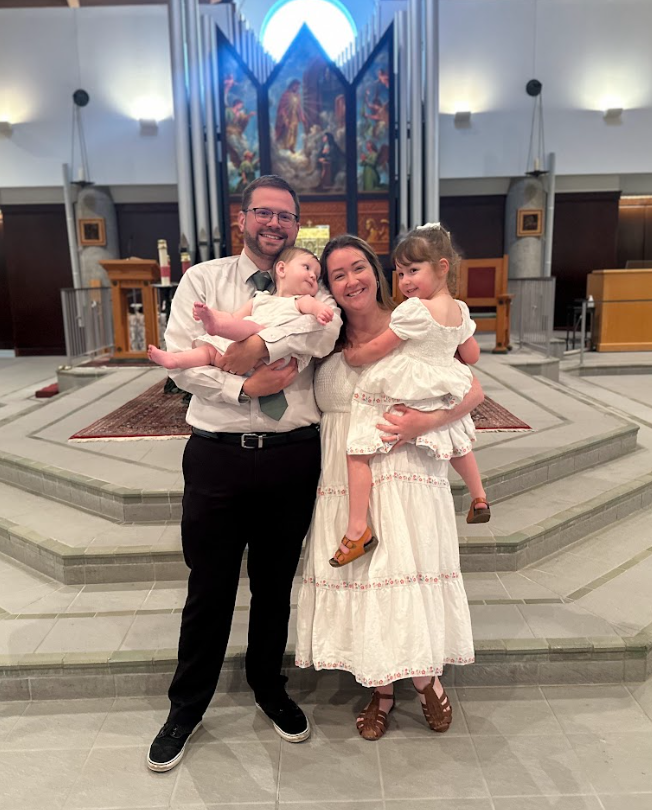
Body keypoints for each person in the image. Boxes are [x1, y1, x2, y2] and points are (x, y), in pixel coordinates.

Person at [147, 176, 342, 773]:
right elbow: (184, 362)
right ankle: (187, 707)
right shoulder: (204, 280)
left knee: (275, 585)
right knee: (208, 587)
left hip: (291, 456)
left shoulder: (311, 281)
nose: (274, 224)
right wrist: (243, 386)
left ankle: (268, 686)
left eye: (286, 216)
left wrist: (254, 347)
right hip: (217, 455)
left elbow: (325, 332)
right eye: (264, 212)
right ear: (243, 218)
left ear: (297, 224)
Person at [295, 234, 480, 740]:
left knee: (403, 573)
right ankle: (380, 689)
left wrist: (425, 422)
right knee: (366, 581)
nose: (351, 280)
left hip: (407, 470)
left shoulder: (414, 320)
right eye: (337, 274)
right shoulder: (324, 338)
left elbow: (473, 389)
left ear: (376, 274)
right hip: (345, 475)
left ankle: (425, 679)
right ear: (329, 287)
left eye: (359, 267)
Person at [330, 223, 489, 568]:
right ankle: (479, 495)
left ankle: (357, 528)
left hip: (411, 384)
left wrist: (354, 357)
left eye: (413, 271)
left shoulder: (414, 310)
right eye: (400, 273)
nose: (404, 281)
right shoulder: (461, 310)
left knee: (359, 449)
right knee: (458, 440)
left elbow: (380, 347)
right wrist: (446, 354)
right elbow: (472, 355)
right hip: (445, 380)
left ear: (442, 267)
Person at [147, 247, 333, 372]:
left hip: (272, 356)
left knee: (253, 328)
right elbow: (233, 318)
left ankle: (216, 327)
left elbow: (314, 307)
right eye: (307, 268)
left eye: (316, 276)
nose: (312, 276)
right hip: (234, 356)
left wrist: (320, 311)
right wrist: (210, 314)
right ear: (282, 269)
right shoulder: (261, 299)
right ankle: (175, 360)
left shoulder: (300, 300)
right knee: (209, 352)